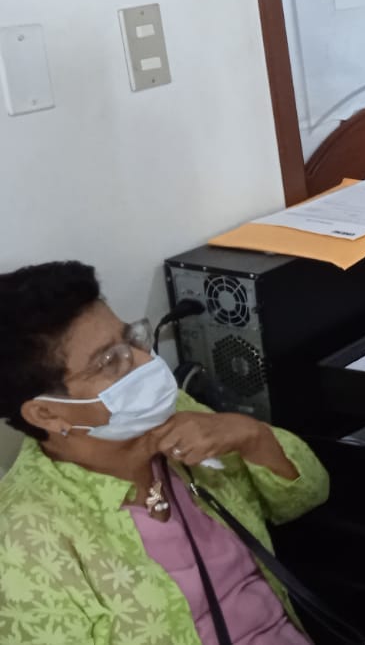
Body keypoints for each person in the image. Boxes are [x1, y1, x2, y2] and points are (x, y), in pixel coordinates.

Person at [0, 261, 330, 645]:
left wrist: (251, 436)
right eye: (109, 361)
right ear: (47, 414)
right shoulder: (22, 541)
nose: (145, 361)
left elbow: (306, 497)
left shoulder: (174, 414)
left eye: (132, 340)